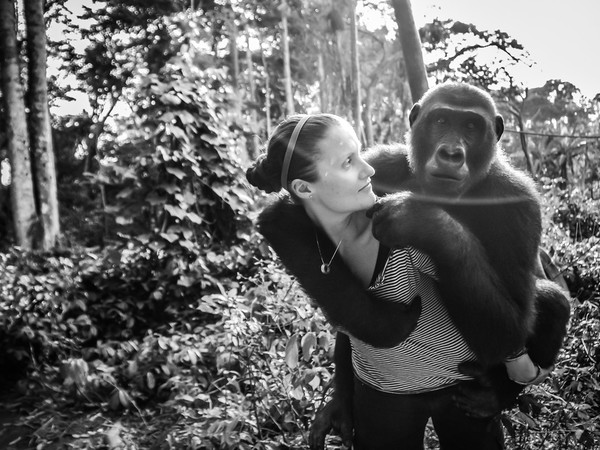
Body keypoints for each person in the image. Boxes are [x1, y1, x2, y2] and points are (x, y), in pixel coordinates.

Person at [246, 113, 548, 449]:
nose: (369, 169)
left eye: (360, 154)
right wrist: (343, 395)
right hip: (380, 388)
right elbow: (349, 317)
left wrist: (509, 382)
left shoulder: (402, 226)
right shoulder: (301, 234)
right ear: (303, 189)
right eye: (349, 161)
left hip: (460, 384)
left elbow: (509, 307)